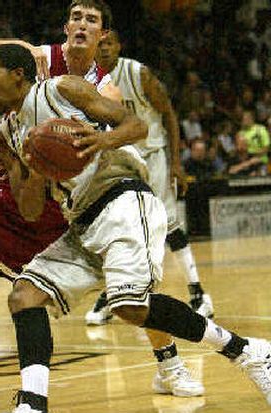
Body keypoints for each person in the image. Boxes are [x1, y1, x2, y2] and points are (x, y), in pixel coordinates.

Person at [0, 43, 271, 413]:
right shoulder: (8, 133)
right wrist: (25, 167)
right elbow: (31, 210)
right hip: (79, 220)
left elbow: (135, 125)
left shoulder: (61, 89)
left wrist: (101, 141)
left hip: (120, 196)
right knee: (25, 294)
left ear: (18, 74)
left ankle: (249, 352)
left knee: (129, 306)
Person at [0, 0, 205, 398]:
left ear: (104, 35)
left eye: (92, 20)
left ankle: (171, 363)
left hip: (106, 191)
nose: (82, 25)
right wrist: (10, 51)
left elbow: (127, 129)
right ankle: (33, 403)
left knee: (134, 290)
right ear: (65, 27)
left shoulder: (107, 87)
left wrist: (98, 140)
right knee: (29, 293)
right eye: (76, 18)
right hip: (56, 193)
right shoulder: (38, 61)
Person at [86, 30, 214, 328]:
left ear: (118, 45)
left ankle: (198, 293)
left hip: (153, 154)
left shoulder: (137, 73)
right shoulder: (88, 77)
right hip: (120, 158)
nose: (104, 49)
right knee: (115, 227)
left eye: (109, 43)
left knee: (168, 224)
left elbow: (169, 114)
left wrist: (177, 162)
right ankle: (112, 294)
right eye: (100, 44)